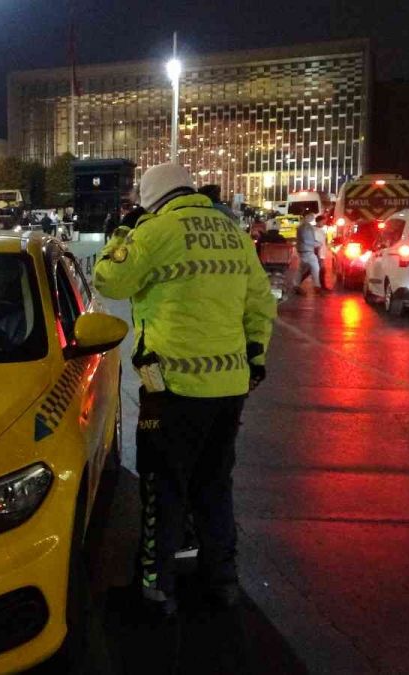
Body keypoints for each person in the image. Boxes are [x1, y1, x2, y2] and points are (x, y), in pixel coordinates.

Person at [92, 162, 276, 617]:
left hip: (169, 386)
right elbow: (259, 303)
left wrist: (122, 232)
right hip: (229, 386)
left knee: (162, 484)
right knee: (215, 484)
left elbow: (109, 279)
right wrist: (254, 359)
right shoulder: (232, 232)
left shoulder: (155, 231)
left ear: (150, 199)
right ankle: (223, 580)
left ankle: (157, 584)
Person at [293, 213, 325, 294]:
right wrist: (317, 244)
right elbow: (308, 240)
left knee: (302, 269)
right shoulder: (306, 227)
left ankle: (296, 284)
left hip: (303, 250)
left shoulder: (302, 226)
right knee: (315, 267)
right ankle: (317, 286)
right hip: (308, 251)